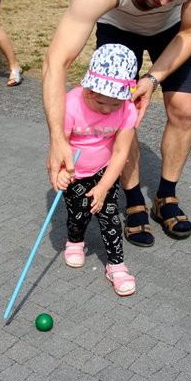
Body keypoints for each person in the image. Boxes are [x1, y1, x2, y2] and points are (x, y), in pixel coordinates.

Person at [42, 0, 191, 247]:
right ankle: (134, 197)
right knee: (120, 114)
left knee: (184, 109)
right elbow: (56, 62)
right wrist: (57, 138)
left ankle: (165, 196)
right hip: (119, 26)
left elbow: (190, 32)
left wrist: (152, 79)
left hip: (174, 32)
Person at [57, 44, 138, 296]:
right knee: (78, 213)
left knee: (109, 215)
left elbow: (121, 152)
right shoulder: (70, 104)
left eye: (115, 104)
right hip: (74, 171)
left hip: (105, 170)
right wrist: (61, 169)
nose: (107, 110)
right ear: (88, 87)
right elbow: (60, 143)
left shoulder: (127, 109)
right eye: (101, 101)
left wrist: (103, 187)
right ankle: (75, 241)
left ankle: (116, 265)